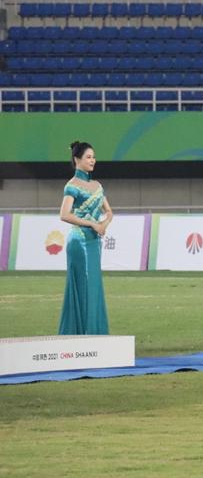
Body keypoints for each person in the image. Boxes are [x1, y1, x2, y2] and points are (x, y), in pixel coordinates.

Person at [58, 141, 112, 335]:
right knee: (83, 286)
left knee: (94, 286)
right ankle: (80, 335)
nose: (92, 160)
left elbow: (109, 211)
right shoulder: (72, 186)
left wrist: (103, 224)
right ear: (77, 159)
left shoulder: (97, 186)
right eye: (88, 157)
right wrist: (92, 224)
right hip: (79, 241)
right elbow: (64, 214)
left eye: (93, 157)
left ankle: (95, 334)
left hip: (94, 242)